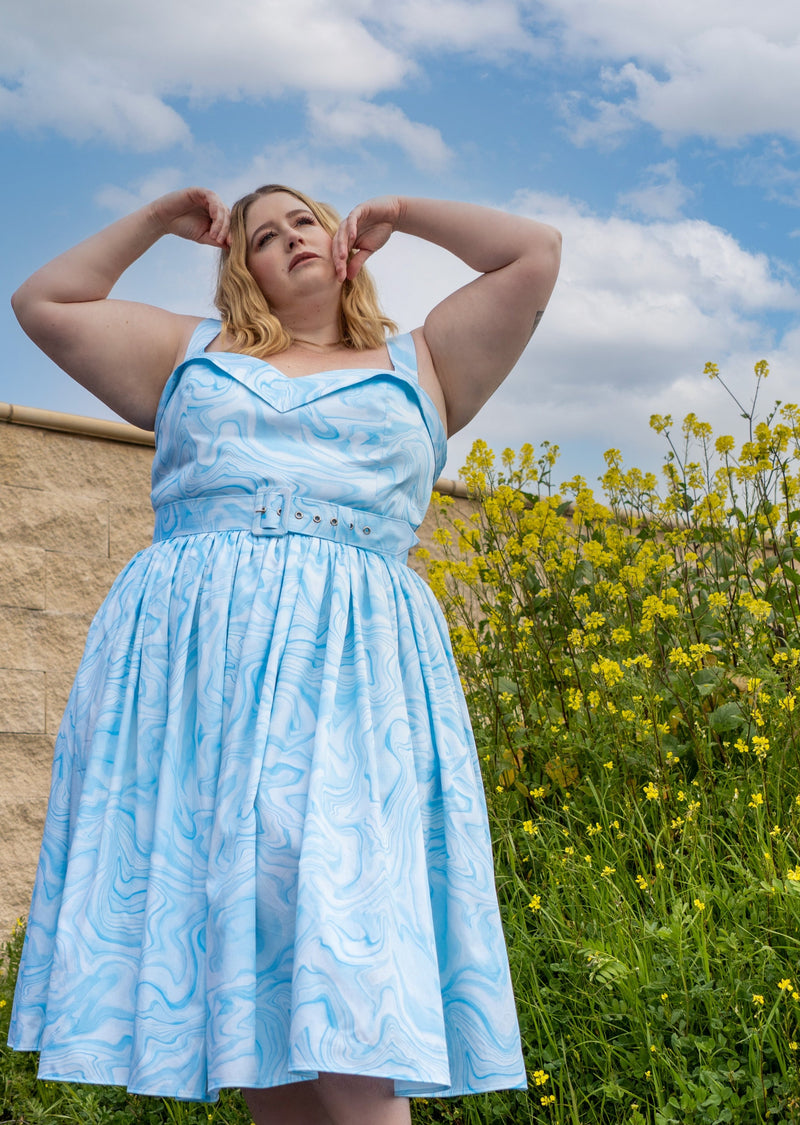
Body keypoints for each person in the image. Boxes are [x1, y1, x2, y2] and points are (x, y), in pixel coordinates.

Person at [7, 184, 561, 1125]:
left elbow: (534, 252)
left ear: (344, 243)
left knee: (344, 946)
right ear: (243, 273)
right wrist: (152, 223)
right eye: (263, 237)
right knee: (255, 952)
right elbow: (44, 303)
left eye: (305, 219)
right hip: (195, 675)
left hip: (349, 675)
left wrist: (404, 210)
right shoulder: (193, 355)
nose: (289, 238)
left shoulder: (423, 359)